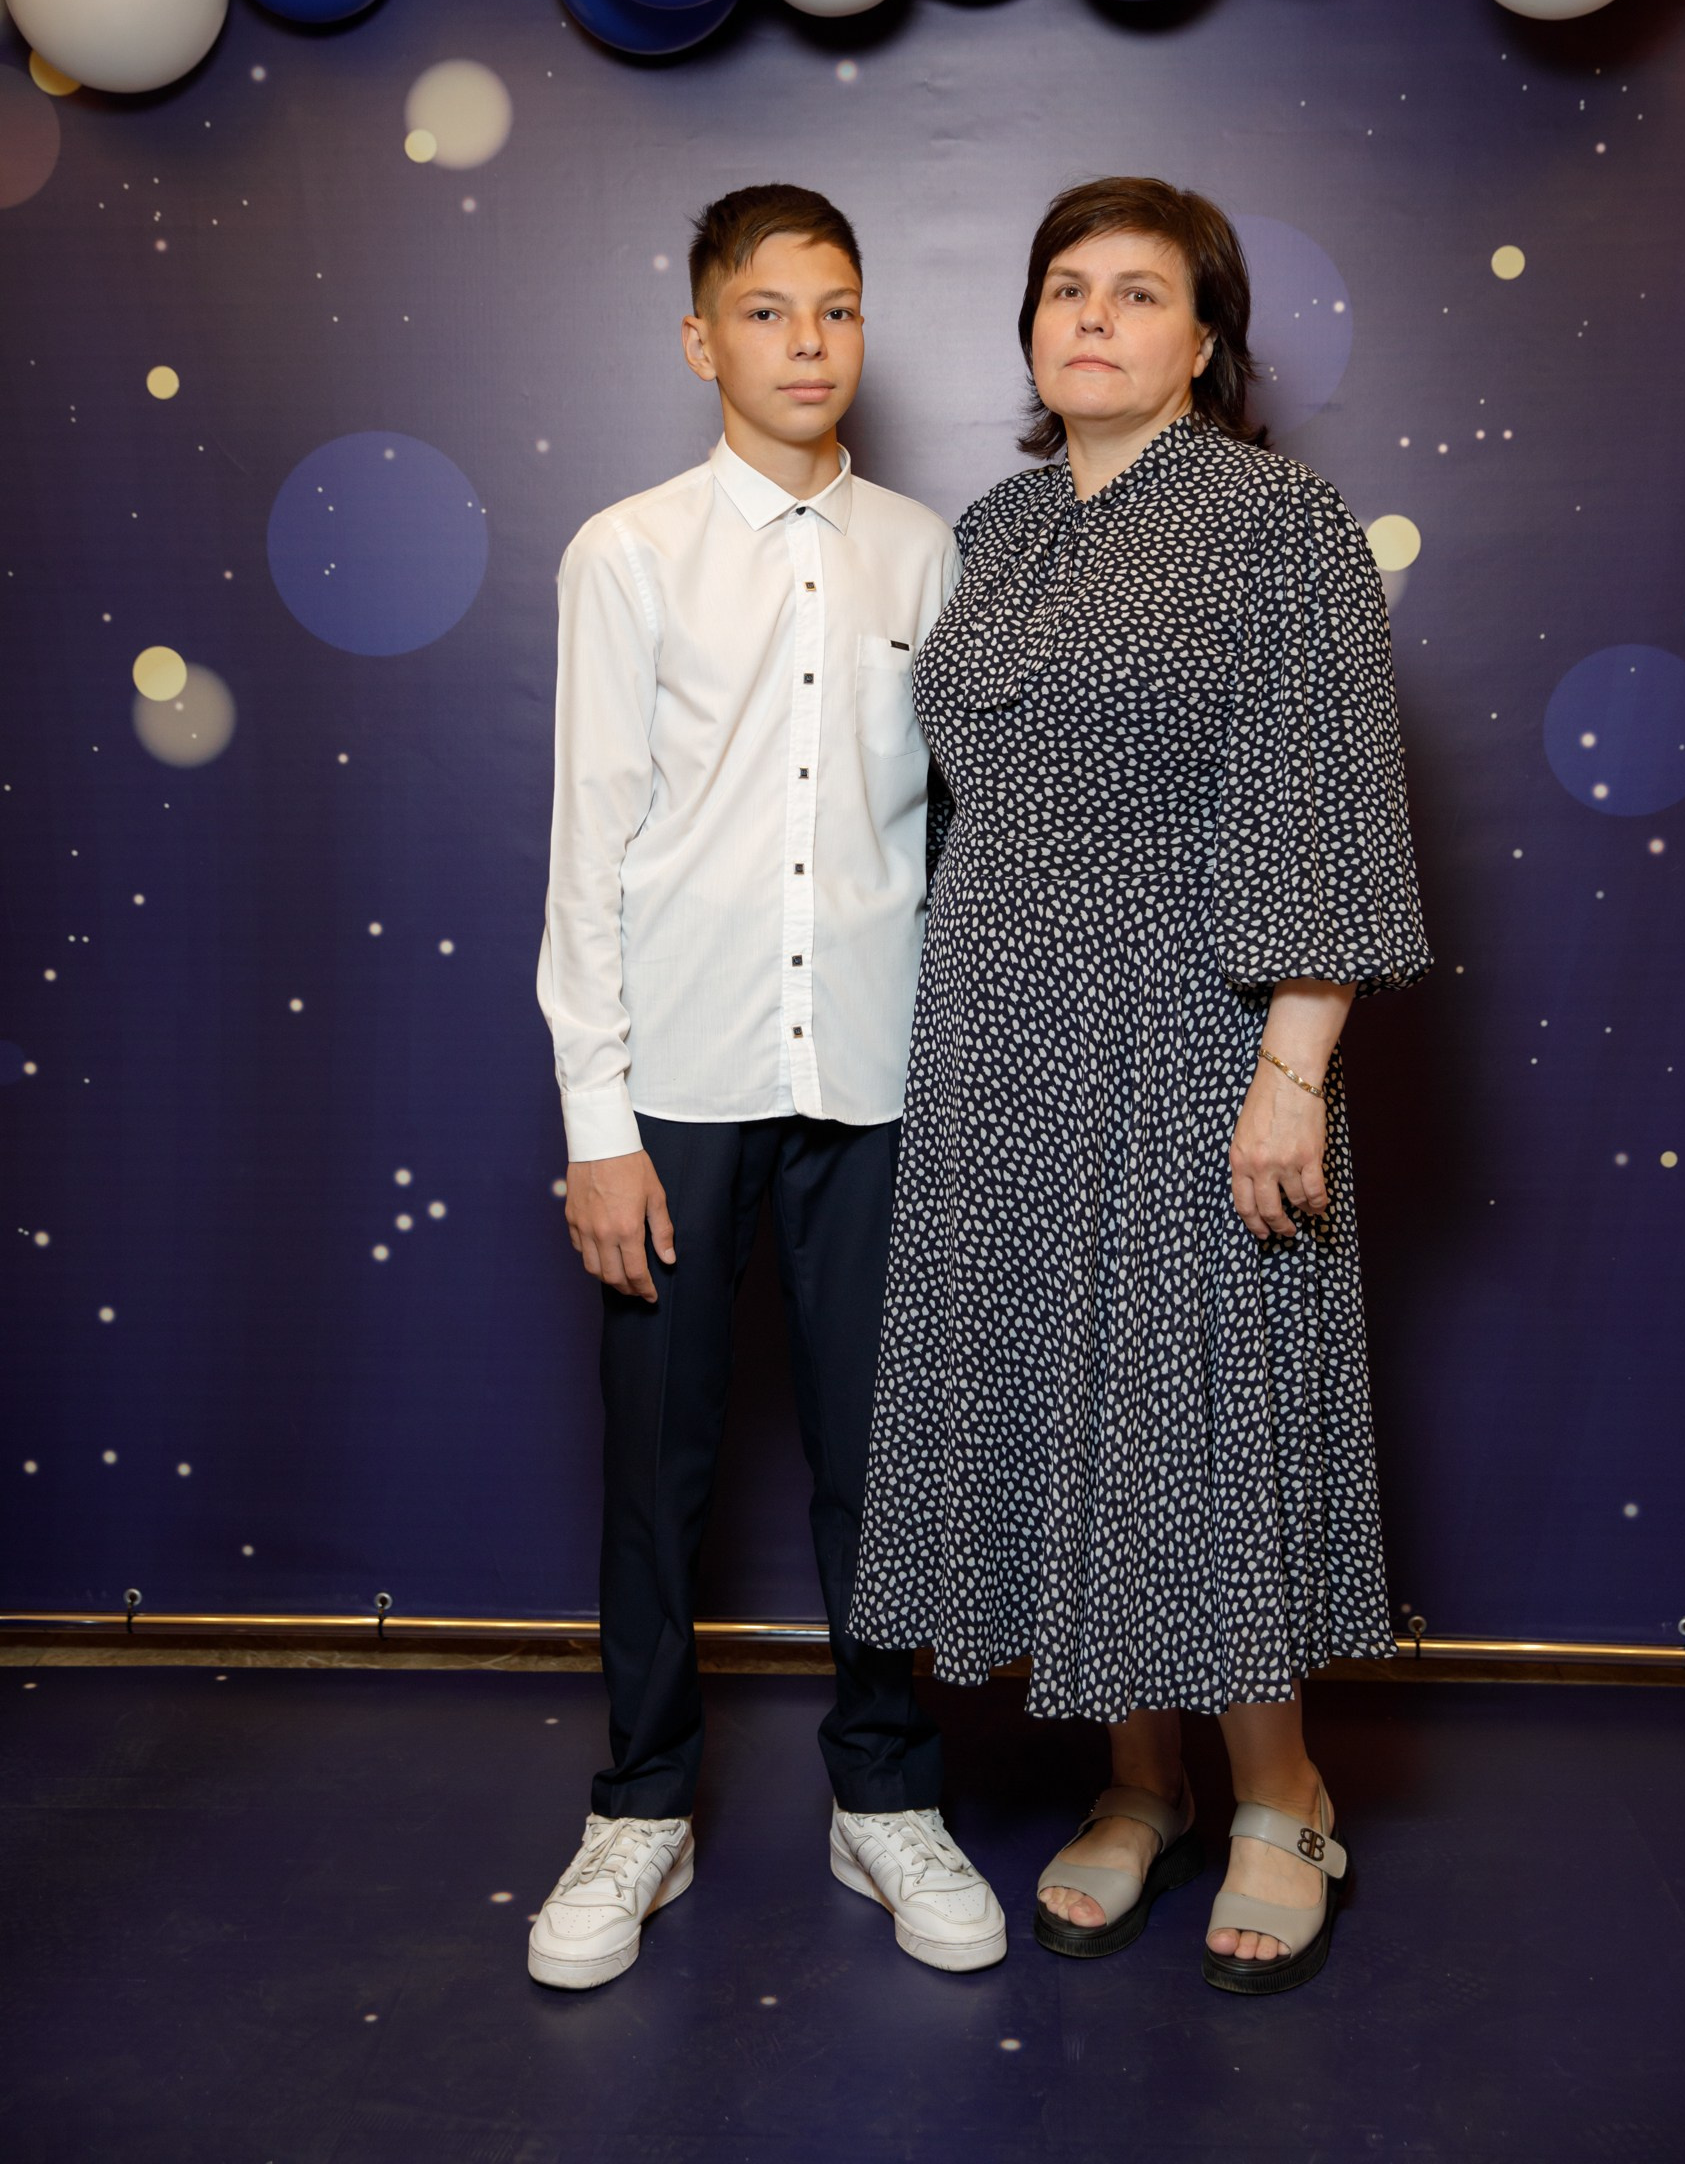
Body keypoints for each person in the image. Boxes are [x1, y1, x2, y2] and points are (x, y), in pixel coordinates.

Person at [848, 177, 1429, 1996]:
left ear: (1204, 343)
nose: (1092, 317)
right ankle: (1141, 1782)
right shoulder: (1001, 531)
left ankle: (1281, 1794)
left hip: (1196, 1038)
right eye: (1065, 288)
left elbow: (1331, 803)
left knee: (1201, 1413)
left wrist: (1293, 1070)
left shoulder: (1275, 521)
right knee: (1074, 1414)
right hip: (999, 1046)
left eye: (1139, 292)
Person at [529, 183, 1006, 1992]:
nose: (808, 345)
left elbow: (965, 832)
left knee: (879, 1462)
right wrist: (597, 1125)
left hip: (879, 1082)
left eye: (838, 311)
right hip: (678, 1083)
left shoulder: (930, 553)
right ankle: (639, 1809)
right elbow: (590, 847)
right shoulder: (627, 552)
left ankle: (882, 1791)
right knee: (657, 1468)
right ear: (699, 337)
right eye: (766, 312)